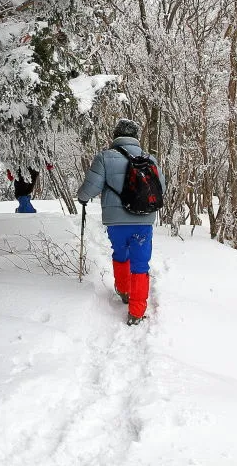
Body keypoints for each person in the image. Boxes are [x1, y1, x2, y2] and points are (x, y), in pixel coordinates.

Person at [76, 118, 165, 325]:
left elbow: (91, 187)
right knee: (141, 263)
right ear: (136, 136)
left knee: (120, 253)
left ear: (116, 135)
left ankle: (124, 290)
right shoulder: (150, 158)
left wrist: (82, 197)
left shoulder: (105, 157)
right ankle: (136, 311)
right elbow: (162, 189)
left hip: (116, 221)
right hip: (144, 221)